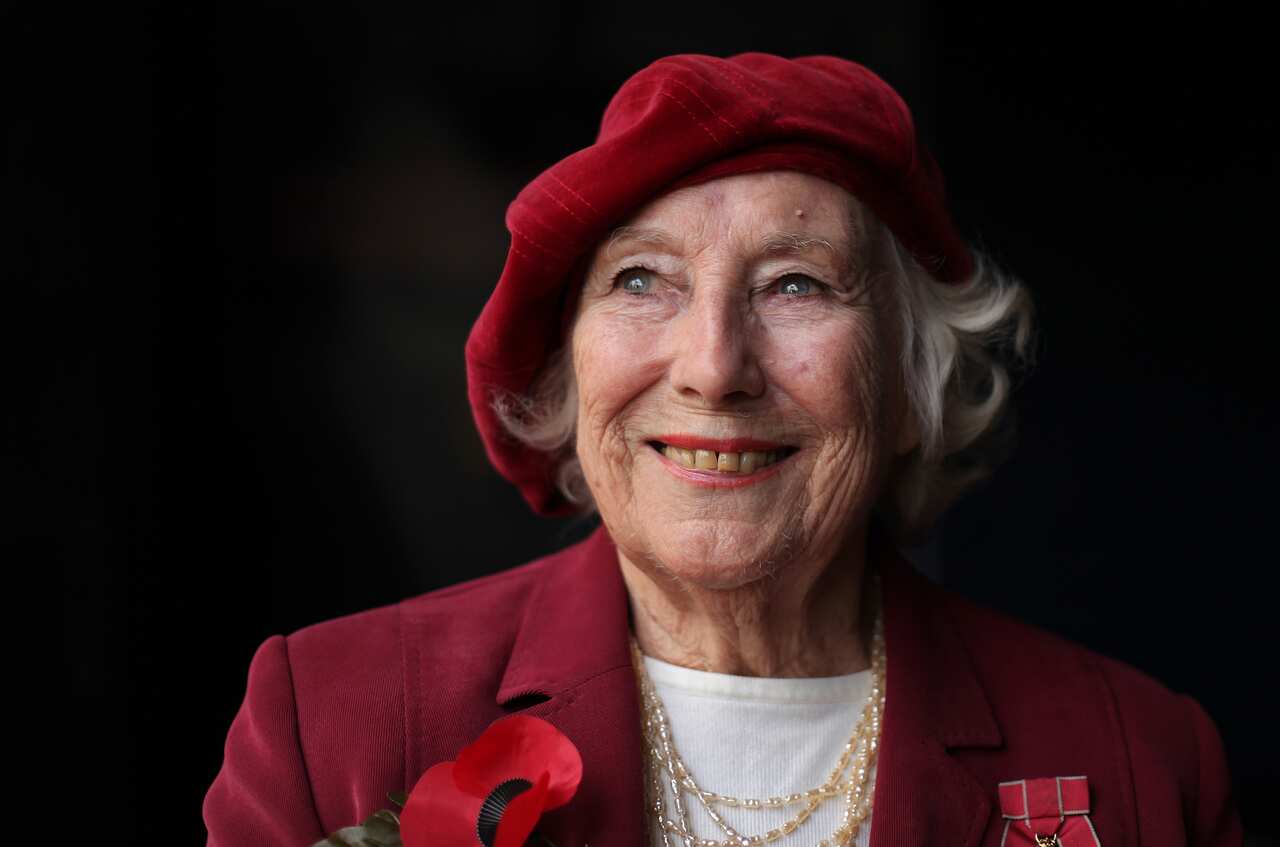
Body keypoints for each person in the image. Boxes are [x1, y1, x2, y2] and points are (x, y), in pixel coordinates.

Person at [203, 53, 1241, 847]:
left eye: (795, 283)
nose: (712, 366)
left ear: (912, 385)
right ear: (568, 385)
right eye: (641, 280)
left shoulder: (1141, 760)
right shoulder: (327, 719)